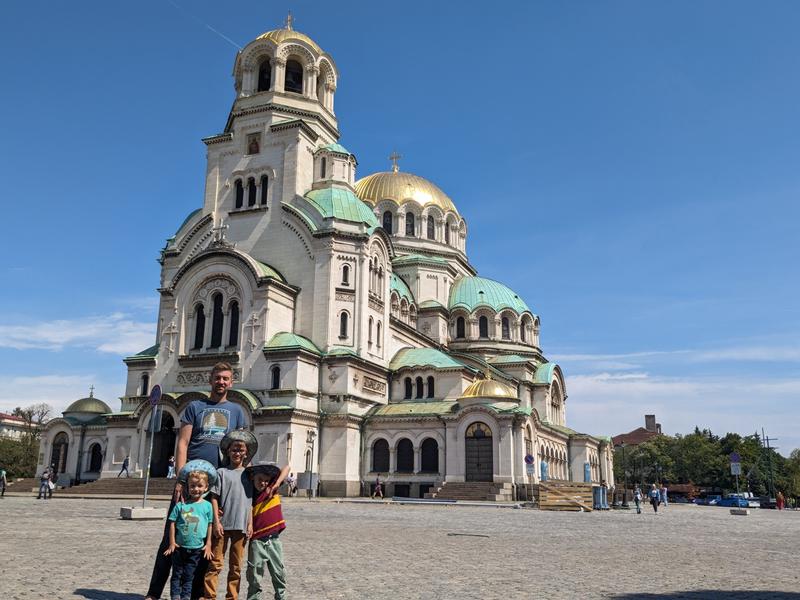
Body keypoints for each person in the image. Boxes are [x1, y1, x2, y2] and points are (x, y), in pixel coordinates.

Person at [145, 361, 247, 600]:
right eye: (217, 378)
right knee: (172, 535)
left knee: (208, 538)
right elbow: (182, 443)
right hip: (190, 483)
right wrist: (180, 480)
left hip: (217, 486)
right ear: (210, 380)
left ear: (231, 382)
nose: (221, 382)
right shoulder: (195, 406)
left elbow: (242, 448)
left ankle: (196, 593)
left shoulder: (237, 411)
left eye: (225, 378)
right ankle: (154, 592)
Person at [204, 429, 257, 600]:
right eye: (234, 449)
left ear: (246, 453)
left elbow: (250, 502)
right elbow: (214, 498)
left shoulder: (249, 476)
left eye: (241, 450)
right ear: (227, 451)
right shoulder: (221, 473)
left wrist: (250, 524)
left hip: (241, 526)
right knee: (215, 564)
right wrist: (216, 521)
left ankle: (232, 597)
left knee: (236, 566)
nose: (237, 453)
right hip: (222, 524)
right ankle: (210, 596)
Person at [164, 467, 215, 600]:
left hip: (197, 548)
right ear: (187, 487)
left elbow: (210, 524)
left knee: (189, 575)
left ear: (206, 487)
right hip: (179, 548)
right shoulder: (181, 506)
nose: (196, 489)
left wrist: (208, 543)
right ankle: (175, 596)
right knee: (176, 574)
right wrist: (172, 543)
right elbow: (172, 523)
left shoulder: (208, 506)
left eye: (199, 486)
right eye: (192, 486)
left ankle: (186, 596)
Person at [245, 461, 290, 600]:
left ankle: (281, 597)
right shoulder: (249, 493)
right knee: (254, 577)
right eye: (260, 480)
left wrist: (276, 483)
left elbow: (287, 467)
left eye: (266, 480)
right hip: (257, 541)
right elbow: (248, 510)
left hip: (274, 540)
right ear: (253, 478)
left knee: (279, 574)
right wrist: (250, 525)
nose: (263, 483)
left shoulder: (272, 488)